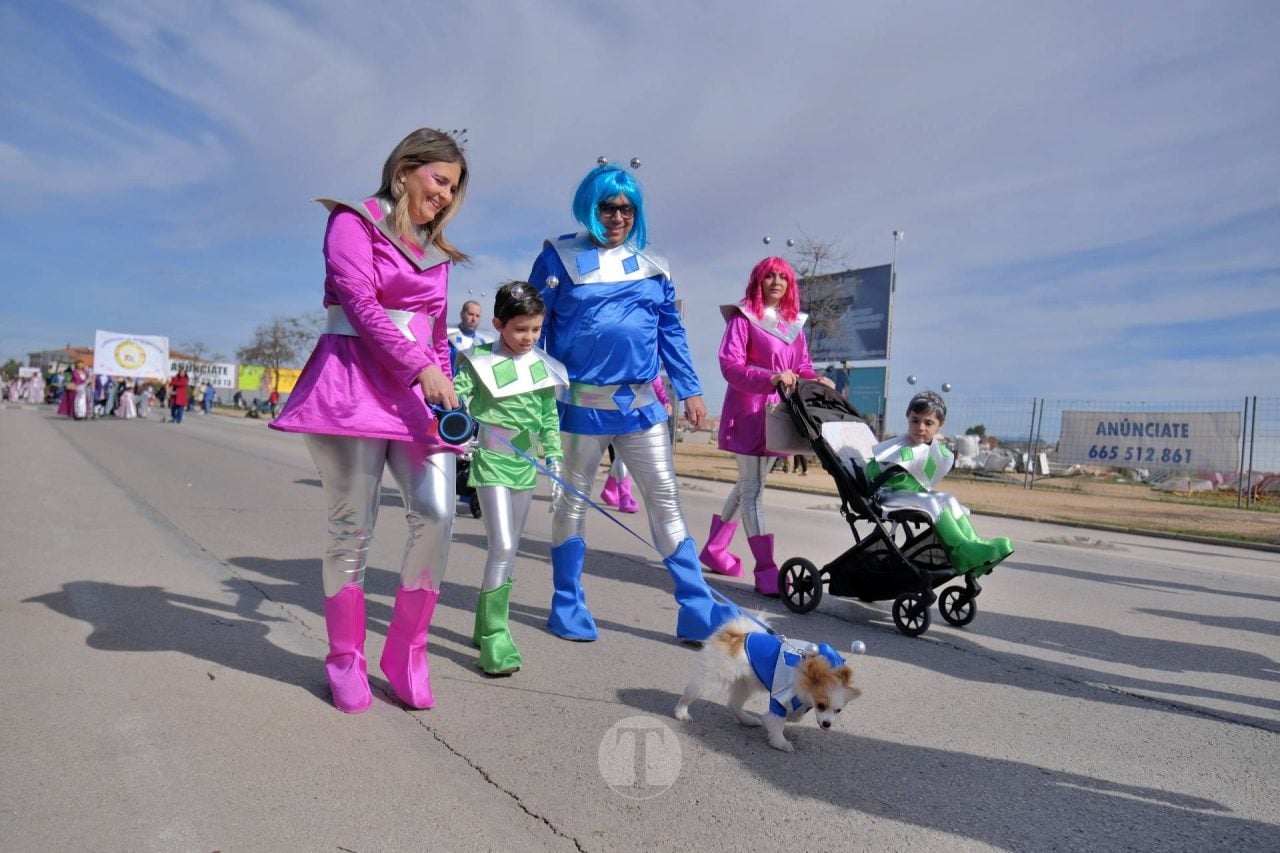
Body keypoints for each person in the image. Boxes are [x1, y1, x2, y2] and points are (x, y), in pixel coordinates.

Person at [269, 127, 469, 713]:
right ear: (405, 169)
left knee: (437, 512)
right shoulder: (352, 221)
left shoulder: (437, 253)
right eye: (439, 180)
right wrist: (420, 366)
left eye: (453, 189)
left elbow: (435, 332)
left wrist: (447, 388)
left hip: (415, 396)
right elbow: (358, 302)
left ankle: (406, 655)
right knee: (351, 528)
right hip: (350, 385)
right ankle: (345, 659)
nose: (444, 196)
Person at [530, 162, 737, 643]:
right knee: (570, 503)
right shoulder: (558, 258)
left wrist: (690, 388)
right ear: (590, 207)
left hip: (642, 407)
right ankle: (567, 603)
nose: (618, 217)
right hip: (579, 407)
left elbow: (670, 331)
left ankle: (696, 607)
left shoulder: (653, 264)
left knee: (665, 499)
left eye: (628, 209)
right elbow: (532, 330)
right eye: (608, 207)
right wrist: (533, 395)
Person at [452, 282, 567, 675]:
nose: (529, 337)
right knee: (501, 545)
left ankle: (483, 624)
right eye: (520, 329)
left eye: (535, 329)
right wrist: (460, 423)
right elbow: (456, 396)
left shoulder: (543, 365)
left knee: (510, 548)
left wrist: (555, 461)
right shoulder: (479, 360)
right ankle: (496, 636)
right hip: (491, 462)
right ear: (499, 324)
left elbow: (548, 419)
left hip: (525, 467)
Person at [701, 257, 833, 595]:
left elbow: (802, 366)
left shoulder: (793, 324)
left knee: (749, 483)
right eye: (770, 276)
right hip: (748, 410)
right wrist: (770, 377)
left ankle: (715, 548)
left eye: (783, 277)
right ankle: (766, 568)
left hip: (779, 414)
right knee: (753, 488)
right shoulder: (743, 317)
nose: (776, 282)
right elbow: (730, 365)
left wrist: (816, 379)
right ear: (758, 281)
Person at [869, 390, 1014, 576]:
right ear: (908, 419)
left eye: (928, 423)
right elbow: (871, 470)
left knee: (948, 498)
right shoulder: (897, 446)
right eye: (915, 421)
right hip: (887, 494)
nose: (920, 427)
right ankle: (960, 550)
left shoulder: (933, 449)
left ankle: (974, 542)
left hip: (911, 494)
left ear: (940, 425)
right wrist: (886, 466)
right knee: (930, 501)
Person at [598, 379, 669, 513]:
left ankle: (610, 490)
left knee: (622, 456)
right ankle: (625, 497)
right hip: (614, 405)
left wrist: (664, 400)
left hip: (636, 409)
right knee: (622, 457)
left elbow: (653, 377)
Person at [447, 299, 495, 372]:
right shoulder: (447, 337)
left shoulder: (485, 343)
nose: (474, 319)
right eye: (470, 314)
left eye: (477, 316)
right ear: (461, 314)